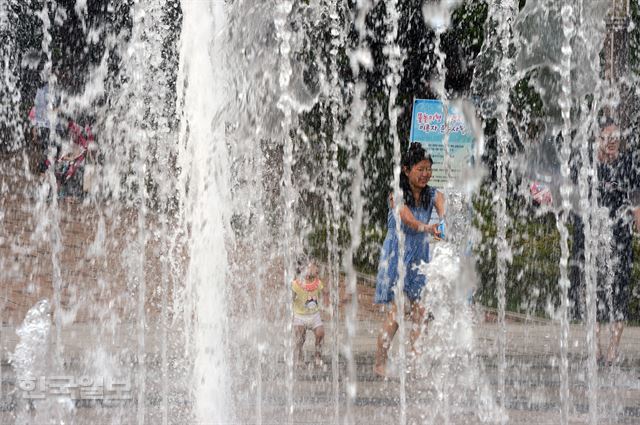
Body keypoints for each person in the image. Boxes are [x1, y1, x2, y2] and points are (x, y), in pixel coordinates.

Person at [373, 142, 445, 378]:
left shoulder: (430, 193)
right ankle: (379, 362)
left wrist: (445, 219)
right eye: (420, 169)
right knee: (397, 313)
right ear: (406, 170)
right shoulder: (397, 194)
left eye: (428, 169)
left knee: (421, 314)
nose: (425, 174)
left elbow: (442, 201)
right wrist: (426, 227)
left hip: (419, 259)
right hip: (399, 258)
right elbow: (407, 219)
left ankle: (416, 361)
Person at [292, 259, 329, 368]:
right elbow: (291, 297)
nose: (317, 269)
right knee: (300, 338)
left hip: (314, 315)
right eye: (314, 267)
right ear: (304, 269)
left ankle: (318, 356)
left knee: (320, 334)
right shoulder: (296, 284)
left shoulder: (318, 283)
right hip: (300, 316)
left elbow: (325, 292)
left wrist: (327, 301)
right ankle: (299, 357)